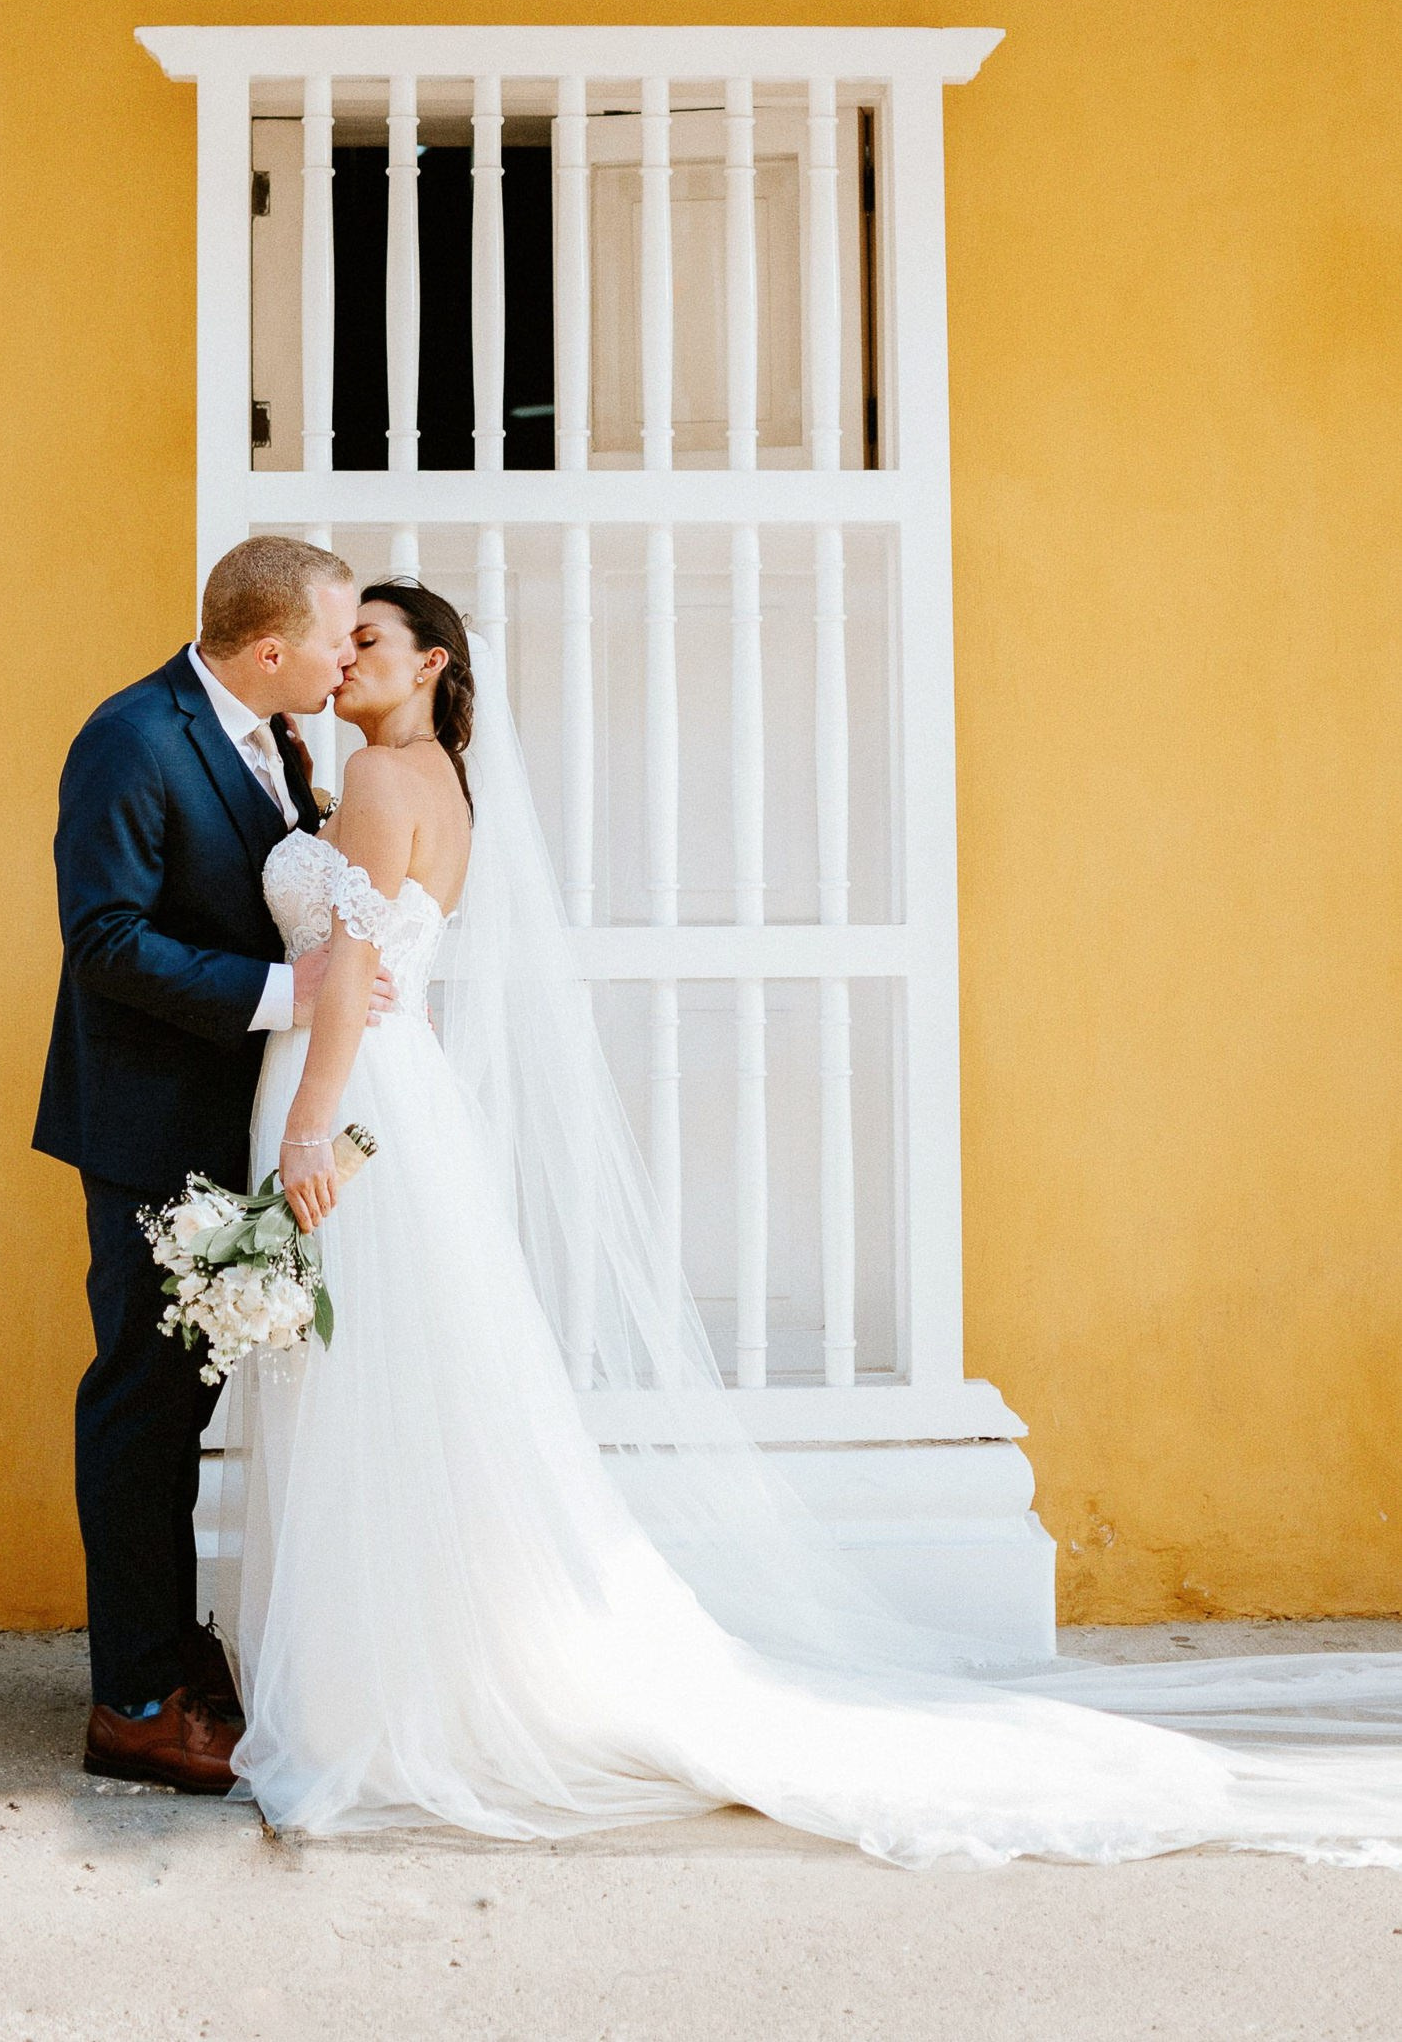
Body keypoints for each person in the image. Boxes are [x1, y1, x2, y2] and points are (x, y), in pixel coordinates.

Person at [223, 578, 1402, 1864]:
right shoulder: (441, 787)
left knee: (364, 1384)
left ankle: (369, 1693)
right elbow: (405, 971)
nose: (345, 660)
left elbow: (345, 975)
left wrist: (307, 1129)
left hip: (344, 1102)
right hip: (407, 1102)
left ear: (433, 662)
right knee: (403, 1384)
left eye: (371, 642)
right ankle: (397, 1665)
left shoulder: (381, 781)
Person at [32, 536, 393, 1796]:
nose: (351, 654)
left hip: (225, 1127)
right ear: (270, 646)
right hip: (143, 1131)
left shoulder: (282, 740)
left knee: (182, 1404)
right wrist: (282, 992)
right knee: (140, 1406)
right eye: (340, 634)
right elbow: (107, 943)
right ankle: (132, 1702)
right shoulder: (130, 737)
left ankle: (171, 1650)